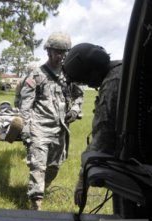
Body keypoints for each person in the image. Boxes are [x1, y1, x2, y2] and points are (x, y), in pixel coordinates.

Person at [19, 32, 84, 210]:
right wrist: (26, 128)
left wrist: (76, 109)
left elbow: (79, 95)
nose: (61, 56)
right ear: (48, 51)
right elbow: (25, 105)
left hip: (60, 129)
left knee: (54, 167)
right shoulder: (37, 75)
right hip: (39, 127)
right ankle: (36, 203)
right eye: (57, 52)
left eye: (64, 53)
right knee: (38, 166)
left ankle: (40, 188)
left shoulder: (69, 75)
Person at [62, 43, 122, 207]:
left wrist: (83, 176)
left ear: (93, 73)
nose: (90, 85)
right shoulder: (123, 69)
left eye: (87, 81)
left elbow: (103, 136)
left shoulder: (113, 82)